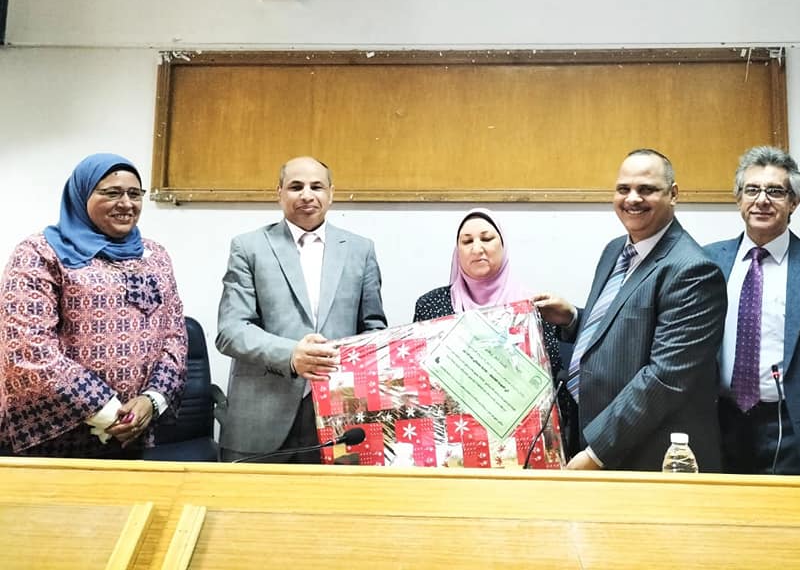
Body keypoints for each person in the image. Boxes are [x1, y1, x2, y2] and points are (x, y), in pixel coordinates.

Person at [534, 149, 727, 471]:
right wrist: (574, 319)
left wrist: (595, 454)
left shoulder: (693, 270)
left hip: (649, 454)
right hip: (598, 436)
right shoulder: (615, 251)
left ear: (673, 194)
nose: (632, 199)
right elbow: (624, 330)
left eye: (646, 189)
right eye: (624, 189)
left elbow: (664, 378)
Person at [0, 153, 187, 458]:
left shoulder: (155, 257)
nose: (126, 203)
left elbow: (174, 337)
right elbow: (27, 346)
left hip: (133, 433)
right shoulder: (39, 254)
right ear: (81, 195)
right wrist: (106, 412)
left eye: (134, 194)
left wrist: (152, 401)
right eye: (112, 193)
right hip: (54, 439)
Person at [216, 156, 387, 462]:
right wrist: (291, 355)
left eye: (316, 187)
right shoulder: (248, 247)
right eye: (296, 187)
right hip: (261, 416)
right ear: (279, 193)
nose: (307, 195)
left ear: (331, 194)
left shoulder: (360, 250)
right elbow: (230, 331)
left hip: (340, 416)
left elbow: (374, 331)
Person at [703, 146, 800, 476]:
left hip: (795, 428)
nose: (762, 200)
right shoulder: (707, 261)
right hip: (719, 422)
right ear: (739, 199)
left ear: (794, 202)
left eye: (775, 191)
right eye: (752, 190)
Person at [413, 208, 576, 450]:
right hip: (452, 442)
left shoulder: (533, 308)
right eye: (467, 241)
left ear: (503, 245)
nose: (477, 248)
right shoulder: (432, 306)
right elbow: (419, 384)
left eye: (486, 238)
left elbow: (551, 386)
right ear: (457, 251)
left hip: (521, 442)